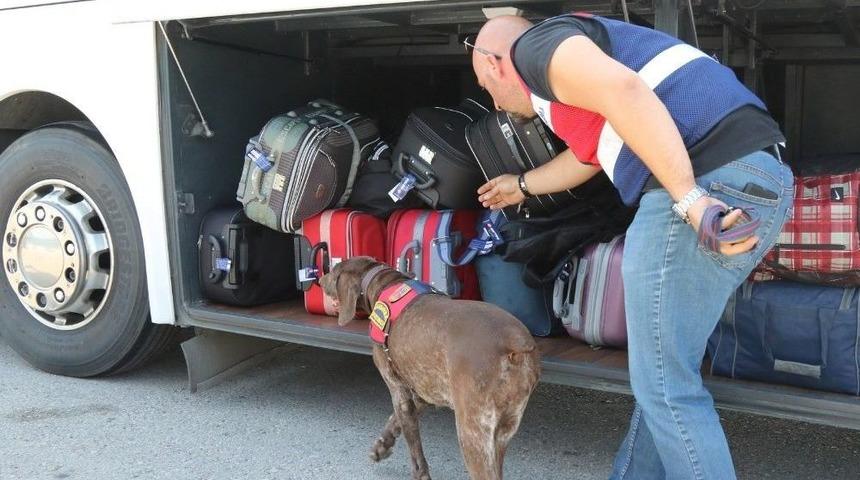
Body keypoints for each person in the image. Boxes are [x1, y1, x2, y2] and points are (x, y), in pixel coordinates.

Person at [469, 13, 794, 480]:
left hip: (707, 179)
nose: (495, 104)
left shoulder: (535, 49)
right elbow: (589, 156)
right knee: (665, 372)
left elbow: (626, 92)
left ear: (494, 63)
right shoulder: (575, 84)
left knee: (666, 387)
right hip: (760, 176)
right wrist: (521, 185)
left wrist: (691, 200)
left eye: (486, 86)